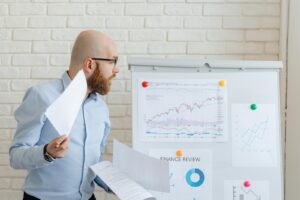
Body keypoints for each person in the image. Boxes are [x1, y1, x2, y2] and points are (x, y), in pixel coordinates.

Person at [9, 30, 119, 200]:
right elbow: (16, 156)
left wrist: (112, 184)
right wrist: (47, 152)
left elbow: (93, 162)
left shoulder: (101, 109)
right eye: (113, 61)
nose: (116, 70)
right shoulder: (42, 96)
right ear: (90, 64)